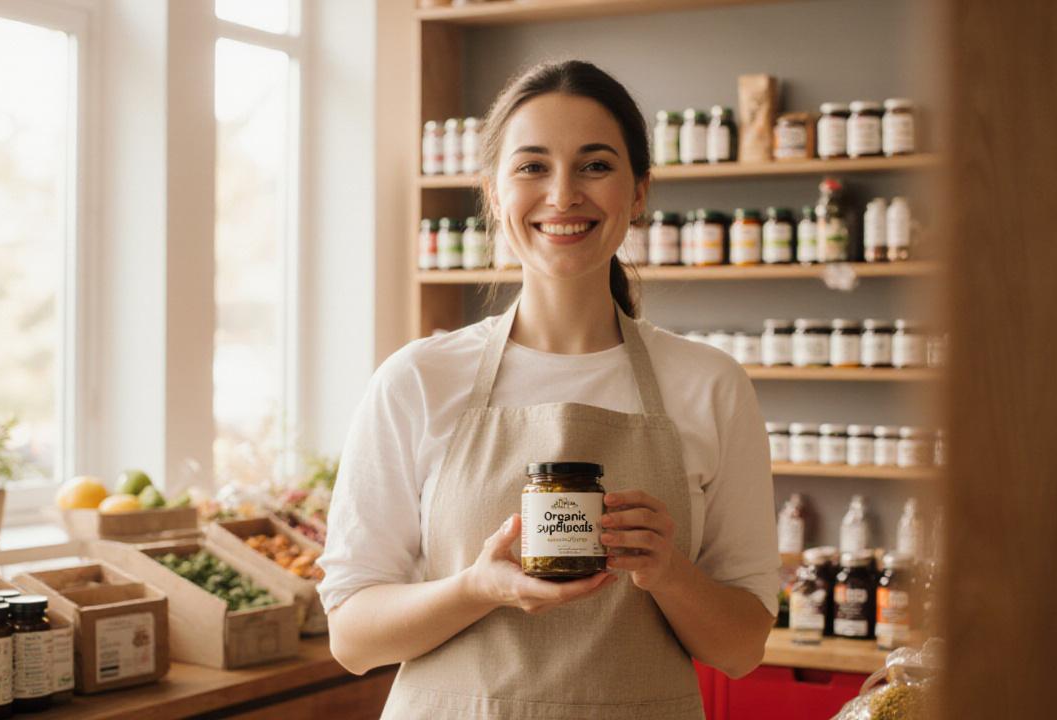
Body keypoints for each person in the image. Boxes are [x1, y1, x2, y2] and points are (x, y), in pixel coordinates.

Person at [318, 60, 778, 719]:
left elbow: (741, 649)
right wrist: (476, 588)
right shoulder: (416, 380)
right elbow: (352, 638)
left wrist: (668, 572)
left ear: (639, 193)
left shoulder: (710, 385)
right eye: (533, 166)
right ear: (493, 194)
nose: (563, 195)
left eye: (595, 166)